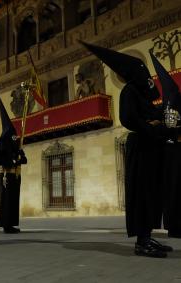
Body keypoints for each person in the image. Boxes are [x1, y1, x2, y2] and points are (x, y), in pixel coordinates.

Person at [79, 40, 174, 258]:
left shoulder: (141, 95)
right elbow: (129, 118)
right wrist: (150, 128)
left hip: (150, 148)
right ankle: (142, 242)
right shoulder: (129, 91)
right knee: (141, 194)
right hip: (140, 147)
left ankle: (148, 236)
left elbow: (152, 114)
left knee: (152, 193)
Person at [150, 52, 181, 237]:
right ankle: (172, 225)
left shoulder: (177, 101)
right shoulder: (162, 107)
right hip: (168, 153)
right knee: (170, 189)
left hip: (177, 150)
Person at [0, 96, 27, 234]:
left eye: (15, 135)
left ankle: (12, 223)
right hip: (7, 174)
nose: (14, 137)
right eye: (12, 135)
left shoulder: (15, 145)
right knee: (7, 200)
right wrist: (12, 161)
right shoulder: (1, 143)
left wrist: (19, 157)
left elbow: (24, 159)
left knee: (14, 200)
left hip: (16, 175)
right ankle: (6, 225)